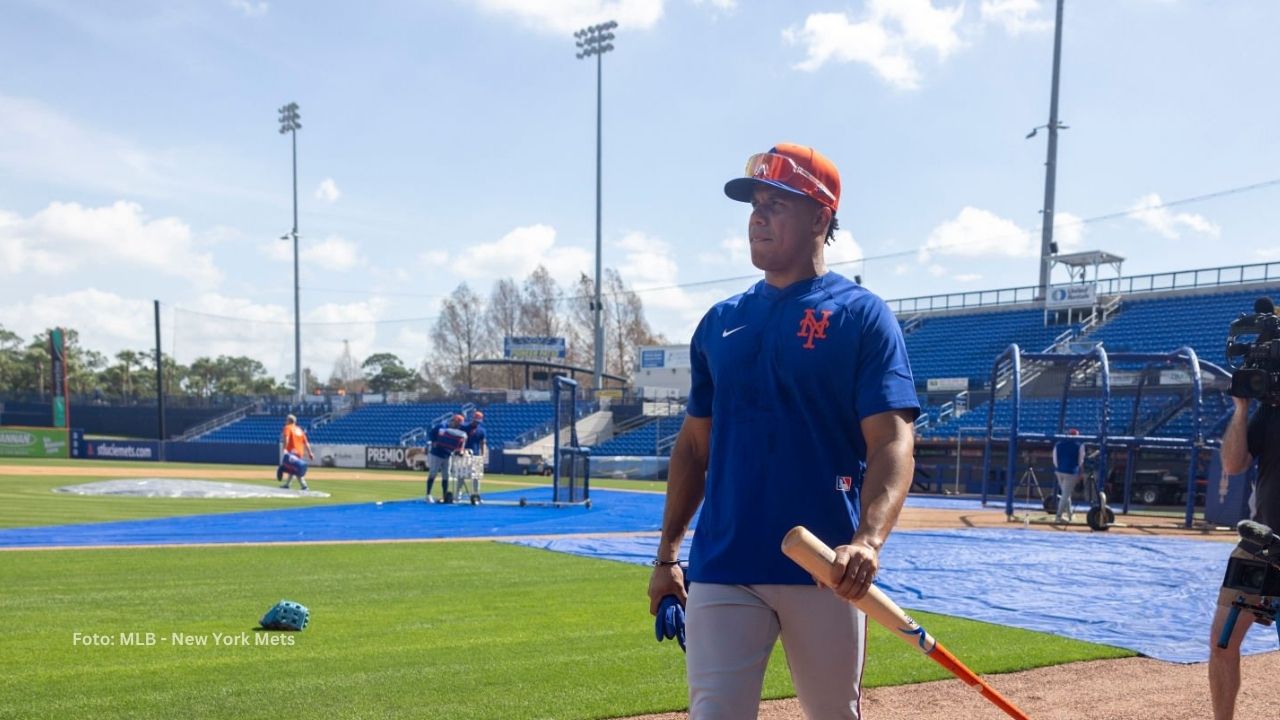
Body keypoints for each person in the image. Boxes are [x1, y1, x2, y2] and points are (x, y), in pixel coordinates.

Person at [646, 143, 919, 719]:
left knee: (831, 714)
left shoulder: (861, 315)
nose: (757, 217)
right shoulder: (720, 321)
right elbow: (695, 448)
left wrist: (867, 542)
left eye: (776, 204)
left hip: (825, 569)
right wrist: (667, 556)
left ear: (822, 217)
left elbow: (892, 440)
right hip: (723, 565)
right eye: (754, 205)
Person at [1209, 395, 1280, 720]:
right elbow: (1233, 464)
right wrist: (1241, 408)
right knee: (1222, 643)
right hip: (1261, 544)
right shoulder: (1272, 408)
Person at [425, 414, 468, 504]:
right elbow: (431, 434)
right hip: (436, 453)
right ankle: (428, 495)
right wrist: (434, 442)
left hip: (447, 454)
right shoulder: (441, 426)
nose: (458, 426)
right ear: (453, 421)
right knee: (433, 473)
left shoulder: (457, 432)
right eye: (457, 424)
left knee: (446, 475)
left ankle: (445, 495)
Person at [1053, 428, 1085, 523]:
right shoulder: (1079, 445)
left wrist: (1058, 468)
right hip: (1071, 472)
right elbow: (1080, 461)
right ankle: (1058, 517)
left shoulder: (1058, 444)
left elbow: (1054, 459)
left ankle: (1070, 515)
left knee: (1065, 494)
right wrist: (1080, 472)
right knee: (1065, 495)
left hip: (1059, 471)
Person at [277, 414, 314, 490]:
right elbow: (306, 442)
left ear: (289, 421)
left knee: (293, 467)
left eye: (286, 420)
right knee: (292, 468)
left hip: (292, 451)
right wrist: (310, 452)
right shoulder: (300, 430)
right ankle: (287, 484)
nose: (285, 421)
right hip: (299, 452)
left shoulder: (287, 427)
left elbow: (286, 438)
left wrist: (284, 448)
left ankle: (304, 485)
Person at [462, 411, 488, 500]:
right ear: (473, 419)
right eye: (476, 421)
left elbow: (482, 443)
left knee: (476, 476)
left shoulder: (482, 430)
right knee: (461, 474)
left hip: (476, 455)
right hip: (465, 454)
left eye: (478, 422)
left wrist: (483, 454)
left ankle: (476, 493)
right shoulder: (464, 427)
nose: (477, 423)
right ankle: (458, 493)